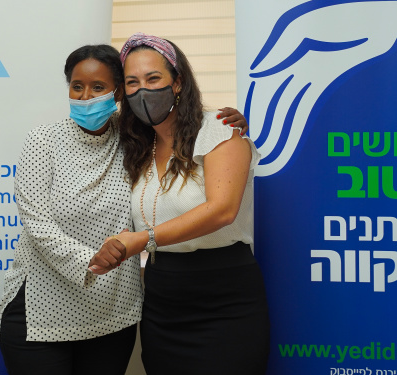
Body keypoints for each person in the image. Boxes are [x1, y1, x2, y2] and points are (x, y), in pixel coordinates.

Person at [0, 44, 248, 375]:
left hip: (114, 310)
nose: (86, 97)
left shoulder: (134, 137)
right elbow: (36, 223)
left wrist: (224, 120)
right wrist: (93, 260)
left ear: (117, 92)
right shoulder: (43, 140)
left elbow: (183, 123)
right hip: (43, 307)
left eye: (98, 87)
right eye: (77, 86)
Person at [88, 33, 271, 375]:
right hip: (162, 300)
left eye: (153, 78)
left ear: (178, 82)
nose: (143, 90)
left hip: (225, 298)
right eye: (132, 82)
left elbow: (222, 209)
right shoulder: (135, 145)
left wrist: (143, 239)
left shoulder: (218, 129)